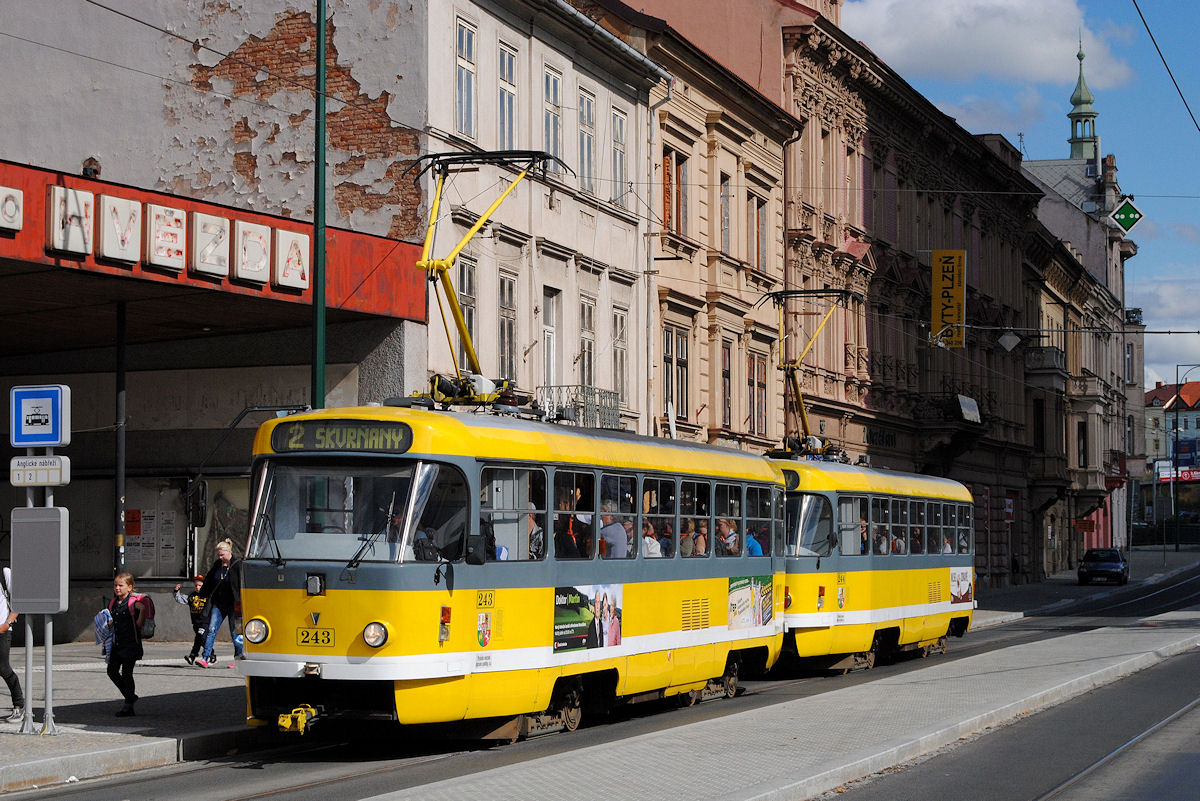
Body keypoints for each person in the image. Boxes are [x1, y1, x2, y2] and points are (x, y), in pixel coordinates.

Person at [196, 539, 244, 668]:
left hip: (234, 604)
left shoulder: (237, 564)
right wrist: (203, 595)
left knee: (236, 633)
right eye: (219, 555)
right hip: (219, 604)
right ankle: (205, 658)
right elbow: (209, 580)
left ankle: (239, 659)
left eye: (222, 554)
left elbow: (241, 584)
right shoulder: (218, 565)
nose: (220, 557)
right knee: (211, 629)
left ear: (229, 552)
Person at [107, 573, 147, 717]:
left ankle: (128, 706)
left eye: (120, 585)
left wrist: (142, 612)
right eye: (115, 585)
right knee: (111, 671)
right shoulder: (112, 603)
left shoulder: (134, 603)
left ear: (129, 588)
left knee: (127, 673)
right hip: (116, 645)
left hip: (131, 645)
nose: (117, 588)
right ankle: (130, 696)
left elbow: (139, 625)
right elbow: (111, 620)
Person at [0, 565, 24, 722]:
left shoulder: (4, 573)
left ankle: (19, 706)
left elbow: (19, 598)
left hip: (2, 629)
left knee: (3, 668)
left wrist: (7, 623)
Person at [173, 573, 208, 665]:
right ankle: (211, 654)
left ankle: (192, 656)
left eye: (200, 585)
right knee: (202, 640)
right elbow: (180, 599)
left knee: (199, 637)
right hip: (195, 622)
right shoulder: (191, 595)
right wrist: (176, 592)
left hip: (205, 622)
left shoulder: (207, 595)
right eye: (196, 585)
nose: (197, 587)